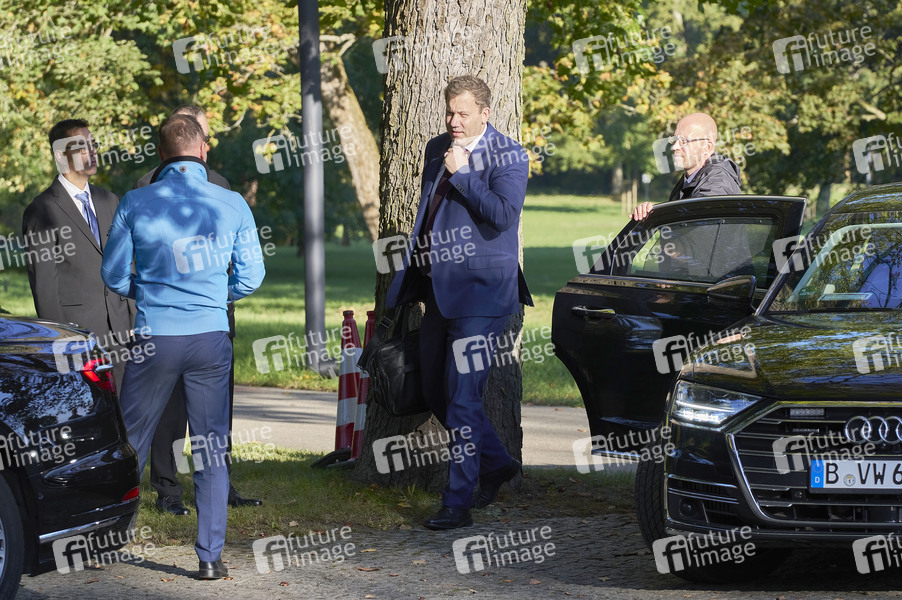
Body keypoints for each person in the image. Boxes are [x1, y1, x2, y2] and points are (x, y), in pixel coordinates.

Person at [101, 114, 265, 580]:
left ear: (161, 155)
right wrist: (215, 295)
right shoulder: (232, 202)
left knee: (132, 441)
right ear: (204, 149)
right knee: (211, 447)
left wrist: (148, 292)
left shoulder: (135, 201)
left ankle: (109, 537)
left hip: (155, 336)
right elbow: (252, 276)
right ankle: (210, 557)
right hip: (210, 336)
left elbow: (113, 275)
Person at [385, 76, 533, 530]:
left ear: (485, 113)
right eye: (450, 111)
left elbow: (503, 215)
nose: (453, 120)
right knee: (435, 392)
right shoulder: (437, 148)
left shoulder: (511, 155)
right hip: (437, 291)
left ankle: (457, 503)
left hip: (483, 295)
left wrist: (464, 175)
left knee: (464, 397)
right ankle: (497, 463)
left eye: (463, 113)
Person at [135, 105, 262, 517]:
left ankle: (220, 487)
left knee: (216, 417)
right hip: (173, 321)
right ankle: (168, 489)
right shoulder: (146, 187)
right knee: (168, 415)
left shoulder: (222, 187)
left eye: (203, 135)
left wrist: (220, 296)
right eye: (197, 135)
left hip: (213, 319)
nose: (202, 146)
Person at [23, 119, 134, 385]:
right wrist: (61, 343)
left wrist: (136, 319)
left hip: (123, 334)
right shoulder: (42, 210)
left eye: (93, 145)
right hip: (78, 338)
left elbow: (127, 263)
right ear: (61, 155)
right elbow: (45, 288)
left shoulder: (110, 200)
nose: (92, 152)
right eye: (82, 147)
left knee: (129, 408)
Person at [631, 112, 741, 221]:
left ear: (707, 147)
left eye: (684, 141)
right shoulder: (690, 179)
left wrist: (659, 213)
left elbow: (698, 218)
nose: (674, 147)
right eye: (674, 140)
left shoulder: (718, 181)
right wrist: (652, 211)